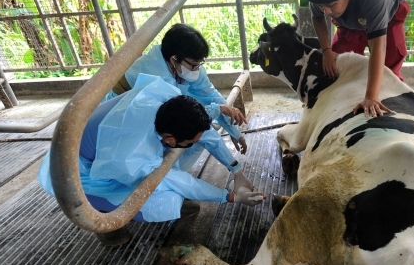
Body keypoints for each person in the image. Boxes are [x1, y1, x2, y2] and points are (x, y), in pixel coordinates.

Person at [39, 75, 264, 246]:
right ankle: (103, 220)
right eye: (187, 143)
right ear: (170, 138)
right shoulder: (133, 155)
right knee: (160, 196)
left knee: (172, 172)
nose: (192, 145)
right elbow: (177, 180)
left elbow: (201, 126)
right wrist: (231, 197)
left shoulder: (165, 101)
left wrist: (237, 171)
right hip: (76, 175)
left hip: (104, 151)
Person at [104, 23, 249, 154]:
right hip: (122, 114)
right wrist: (234, 166)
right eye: (193, 65)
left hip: (156, 110)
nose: (197, 70)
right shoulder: (156, 79)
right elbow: (184, 118)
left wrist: (234, 131)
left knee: (194, 135)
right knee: (184, 139)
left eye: (199, 64)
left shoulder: (186, 63)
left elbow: (209, 94)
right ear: (174, 59)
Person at [308, 0, 411, 118]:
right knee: (336, 66)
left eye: (331, 5)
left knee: (387, 73)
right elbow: (317, 17)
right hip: (350, 20)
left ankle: (392, 111)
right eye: (322, 6)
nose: (326, 11)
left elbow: (378, 46)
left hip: (388, 17)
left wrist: (371, 97)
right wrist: (326, 50)